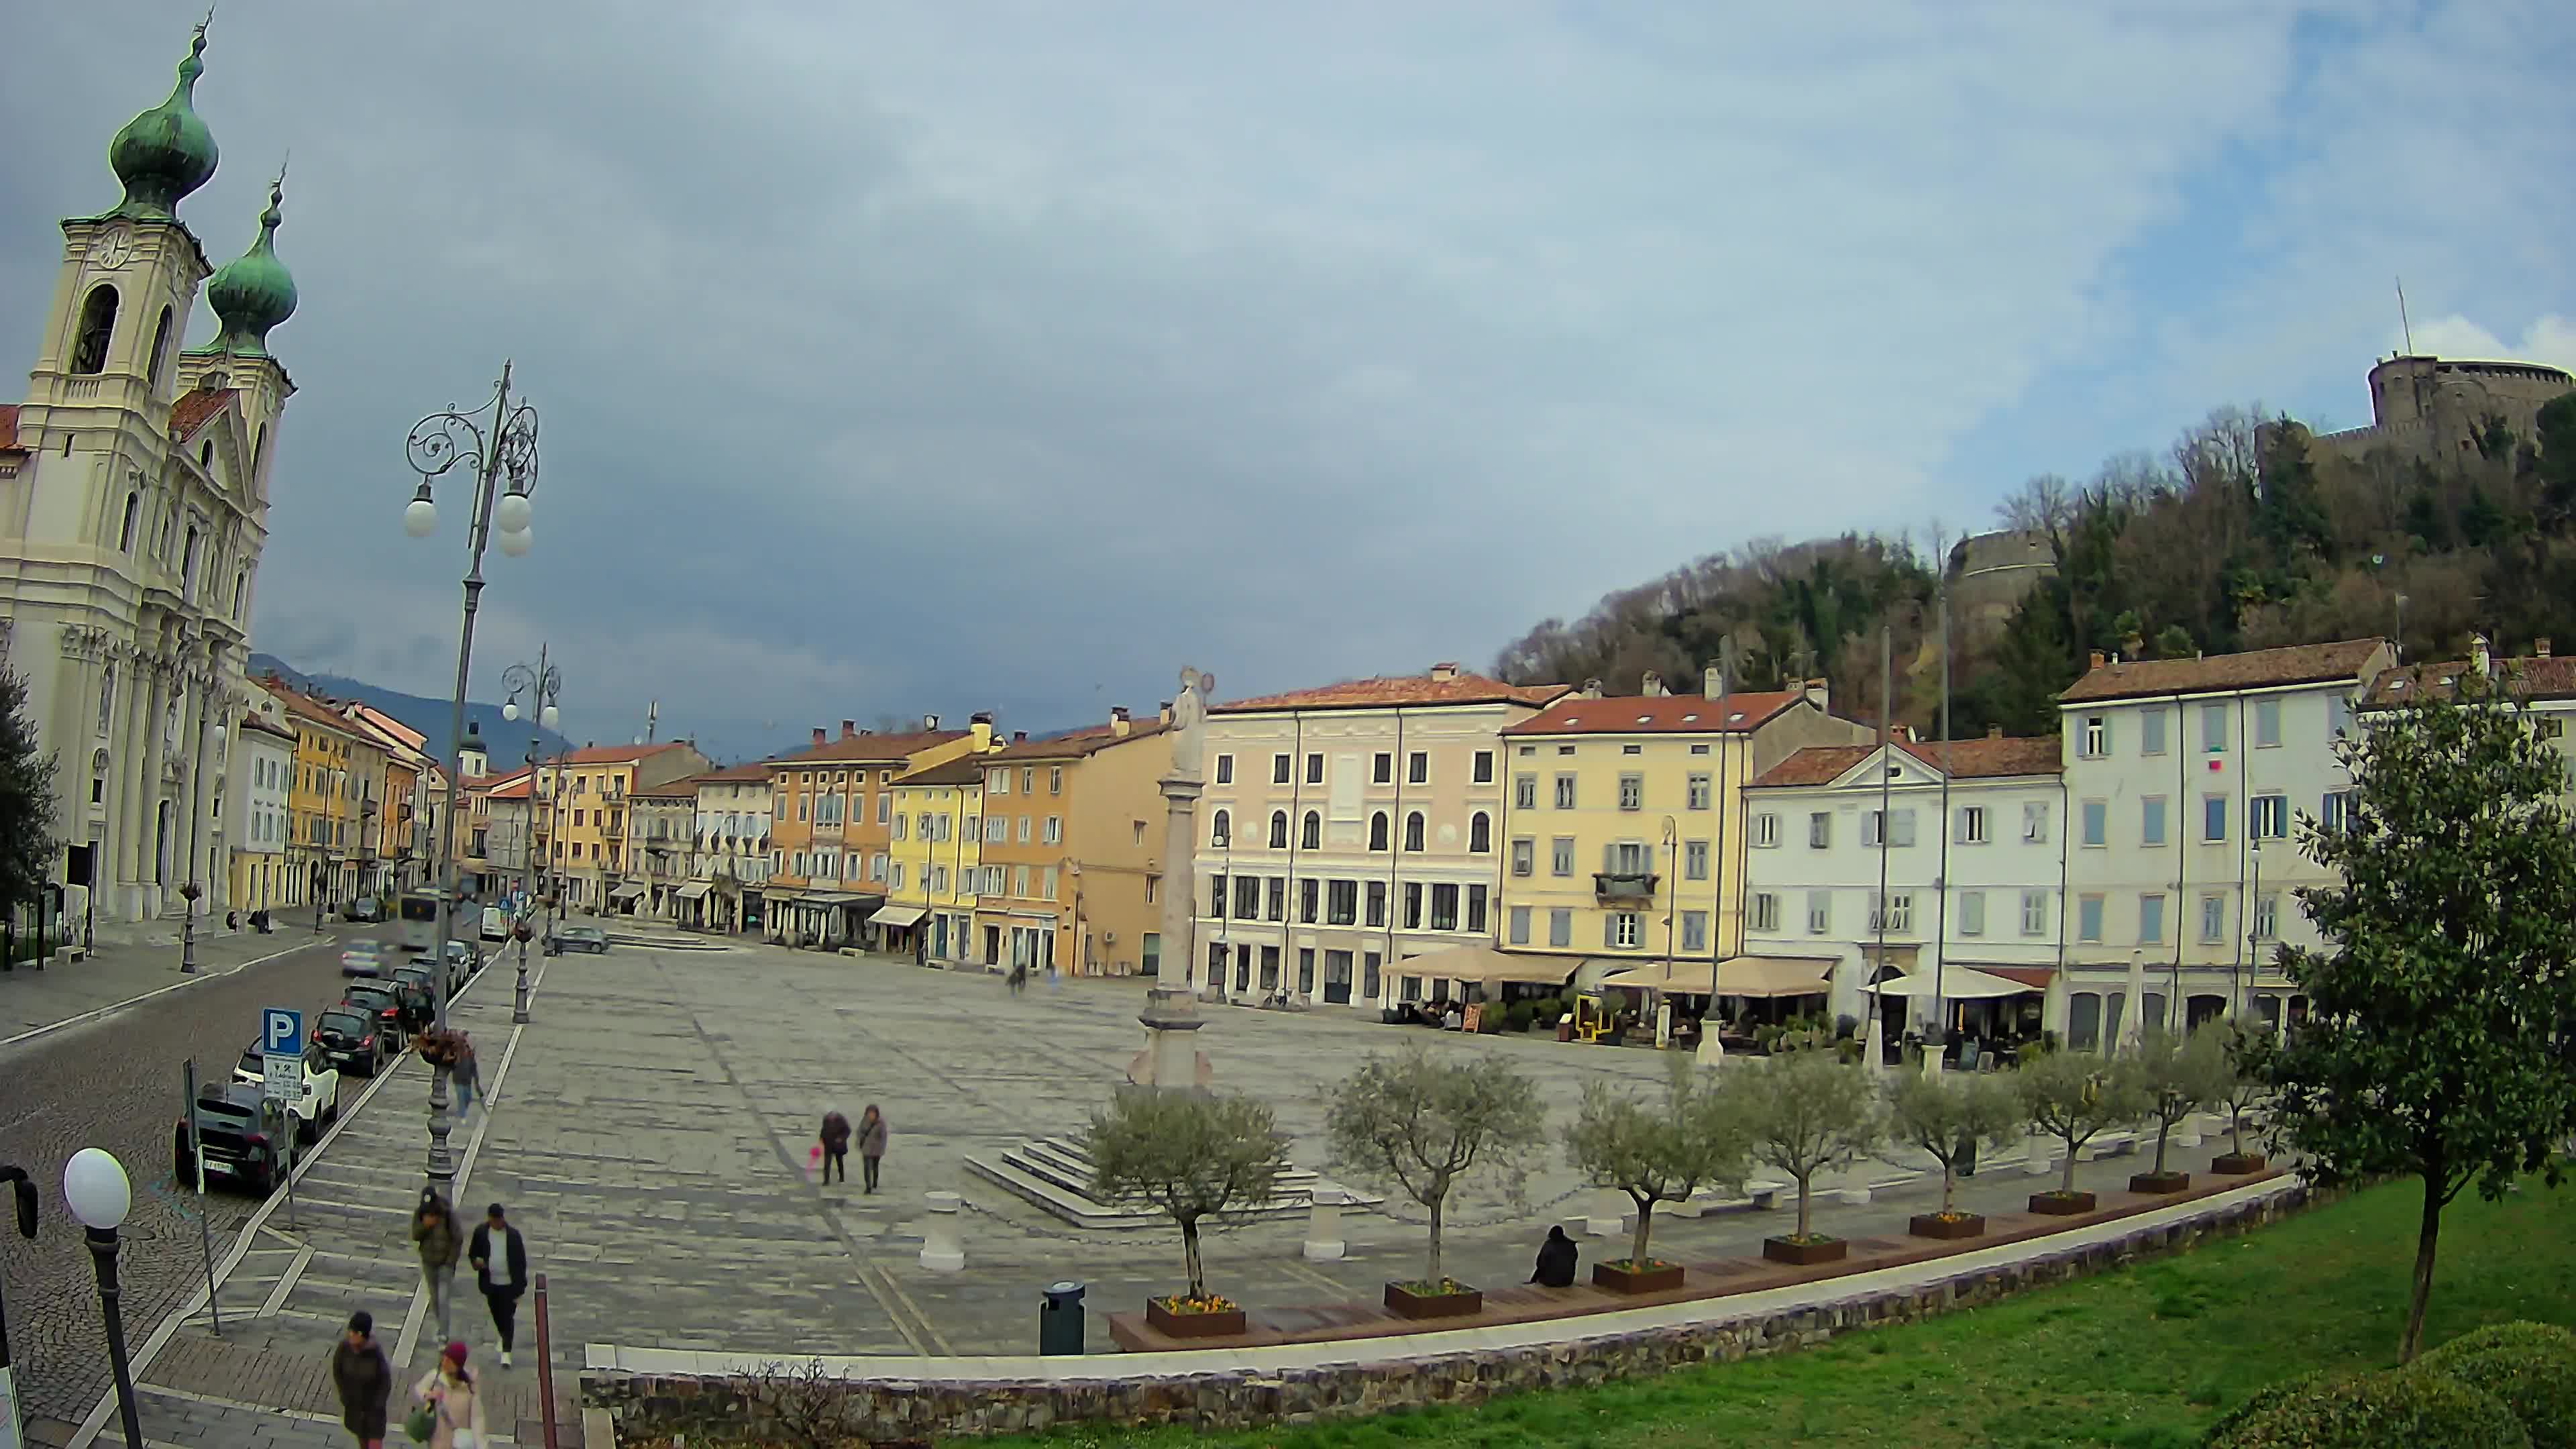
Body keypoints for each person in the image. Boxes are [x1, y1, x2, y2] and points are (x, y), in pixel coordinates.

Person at [468, 1202, 529, 1368]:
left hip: (509, 1285)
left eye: (499, 1220)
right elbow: (473, 1254)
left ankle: (506, 1353)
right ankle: (503, 1336)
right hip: (491, 1283)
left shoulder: (513, 1236)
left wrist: (520, 1288)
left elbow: (520, 1262)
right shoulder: (481, 1233)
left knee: (508, 1318)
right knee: (497, 1315)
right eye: (494, 1220)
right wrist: (477, 1263)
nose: (497, 1223)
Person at [331, 1310, 392, 1449]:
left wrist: (378, 1404)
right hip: (355, 1407)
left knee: (375, 1444)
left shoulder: (375, 1353)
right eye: (351, 1331)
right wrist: (344, 1395)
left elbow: (385, 1381)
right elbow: (338, 1371)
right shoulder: (344, 1348)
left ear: (364, 1335)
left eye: (356, 1333)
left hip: (374, 1411)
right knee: (363, 1442)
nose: (351, 1335)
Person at [411, 1342, 486, 1449]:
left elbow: (477, 1419)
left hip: (457, 1444)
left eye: (449, 1360)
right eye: (444, 1358)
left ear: (458, 1365)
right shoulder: (435, 1377)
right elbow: (419, 1388)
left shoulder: (470, 1388)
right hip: (435, 1443)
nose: (444, 1362)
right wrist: (427, 1395)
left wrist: (481, 1445)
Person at [411, 1189, 462, 1331]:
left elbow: (457, 1239)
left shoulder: (447, 1215)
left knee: (443, 1298)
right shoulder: (420, 1214)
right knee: (435, 1299)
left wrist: (451, 1261)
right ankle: (441, 1325)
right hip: (429, 1263)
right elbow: (415, 1235)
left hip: (446, 1264)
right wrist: (425, 1226)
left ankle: (444, 1333)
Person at [1529, 1224, 1579, 1288]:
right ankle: (1532, 1282)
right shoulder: (1571, 1245)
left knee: (1540, 1268)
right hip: (1568, 1281)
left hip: (1549, 1282)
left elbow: (1539, 1263)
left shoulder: (1548, 1245)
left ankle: (1532, 1283)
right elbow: (1574, 1261)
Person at [858, 1104, 888, 1194]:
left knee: (875, 1167)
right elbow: (859, 1132)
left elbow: (883, 1137)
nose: (871, 1115)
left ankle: (875, 1183)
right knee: (867, 1168)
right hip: (866, 1149)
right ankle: (868, 1187)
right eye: (869, 1113)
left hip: (876, 1150)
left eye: (873, 1113)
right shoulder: (864, 1121)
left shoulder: (881, 1123)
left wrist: (882, 1149)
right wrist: (860, 1141)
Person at [818, 1110, 851, 1184]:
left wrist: (841, 1138)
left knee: (839, 1161)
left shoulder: (842, 1120)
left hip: (838, 1145)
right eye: (829, 1117)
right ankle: (826, 1180)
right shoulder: (826, 1120)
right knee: (827, 1163)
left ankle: (842, 1178)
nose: (830, 1119)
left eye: (832, 1117)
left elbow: (848, 1131)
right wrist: (821, 1139)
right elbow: (824, 1130)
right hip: (828, 1144)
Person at [451, 1038, 480, 1118]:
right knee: (461, 1097)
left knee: (468, 1098)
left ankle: (462, 1110)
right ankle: (461, 1112)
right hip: (458, 1080)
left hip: (467, 1081)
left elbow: (474, 1071)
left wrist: (477, 1086)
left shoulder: (471, 1059)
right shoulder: (457, 1056)